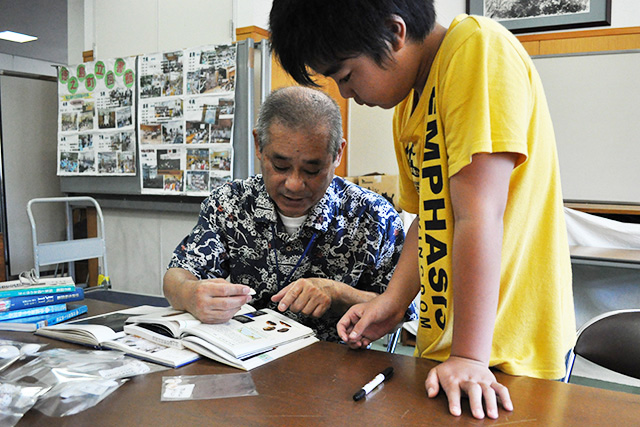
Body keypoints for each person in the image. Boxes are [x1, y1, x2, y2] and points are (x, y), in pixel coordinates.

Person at [269, 0, 575, 420]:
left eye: (346, 75)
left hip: (500, 353)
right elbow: (429, 221)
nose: (346, 94)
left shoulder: (476, 50)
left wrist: (469, 355)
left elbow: (478, 215)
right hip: (450, 351)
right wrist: (392, 303)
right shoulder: (410, 104)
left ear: (394, 34)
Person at [163, 86, 408, 342]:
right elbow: (176, 275)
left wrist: (338, 294)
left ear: (337, 153)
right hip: (247, 354)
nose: (293, 184)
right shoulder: (230, 204)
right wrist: (191, 293)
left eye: (312, 171)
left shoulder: (372, 217)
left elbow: (400, 313)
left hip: (335, 365)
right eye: (280, 166)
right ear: (259, 145)